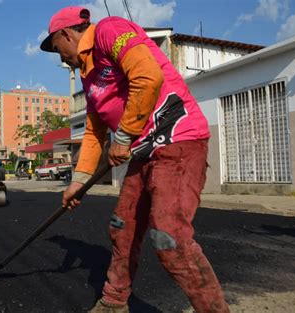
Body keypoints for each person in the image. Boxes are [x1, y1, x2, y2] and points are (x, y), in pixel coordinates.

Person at [41, 6, 229, 313]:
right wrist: (77, 182)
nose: (59, 56)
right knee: (122, 226)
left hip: (179, 142)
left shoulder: (109, 30)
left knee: (169, 238)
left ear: (66, 34)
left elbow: (147, 74)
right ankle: (114, 302)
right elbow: (93, 133)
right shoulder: (90, 77)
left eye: (56, 48)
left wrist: (124, 136)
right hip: (145, 153)